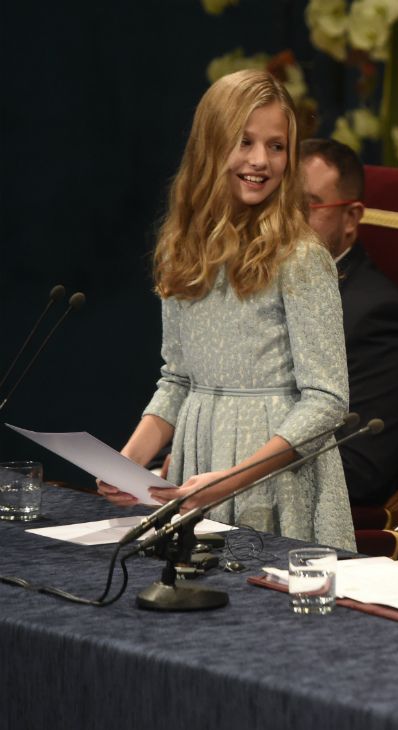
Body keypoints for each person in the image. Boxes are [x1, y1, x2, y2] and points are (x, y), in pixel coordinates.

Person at [96, 70, 355, 551]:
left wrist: (235, 478)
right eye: (245, 142)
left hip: (274, 479)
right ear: (211, 147)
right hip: (200, 458)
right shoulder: (182, 251)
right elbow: (177, 380)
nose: (261, 161)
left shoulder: (300, 256)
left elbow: (327, 400)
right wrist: (128, 462)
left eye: (276, 147)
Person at [300, 138, 398, 505]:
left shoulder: (381, 320)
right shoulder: (255, 288)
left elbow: (357, 470)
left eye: (306, 206)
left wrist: (230, 472)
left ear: (351, 219)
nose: (286, 223)